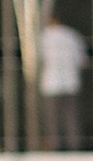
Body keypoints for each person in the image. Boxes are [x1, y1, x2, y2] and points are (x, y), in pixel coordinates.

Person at [38, 11, 88, 153]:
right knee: (71, 118)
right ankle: (75, 147)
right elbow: (83, 61)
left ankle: (56, 147)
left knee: (52, 119)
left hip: (51, 84)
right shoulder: (72, 36)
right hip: (71, 83)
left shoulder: (43, 38)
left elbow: (37, 61)